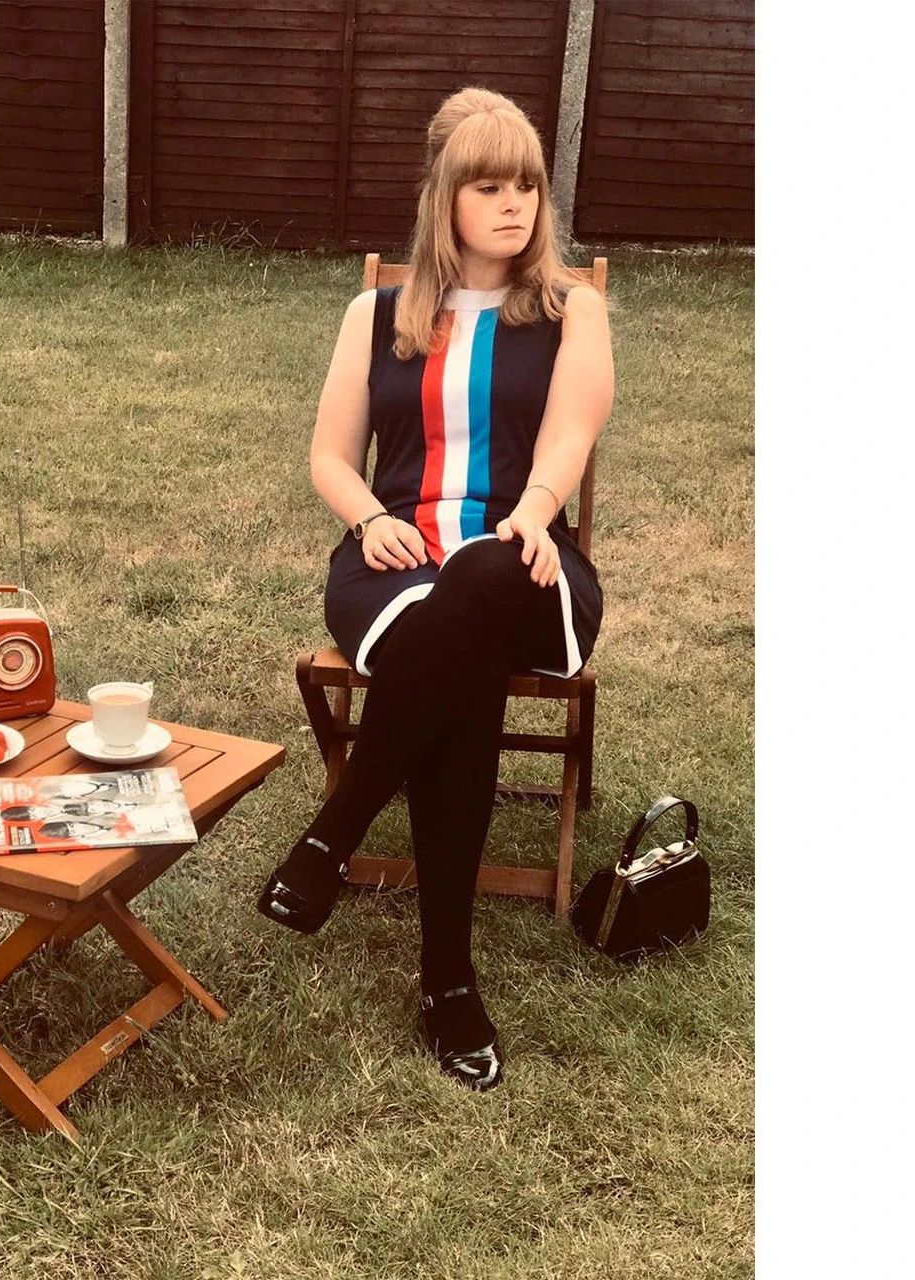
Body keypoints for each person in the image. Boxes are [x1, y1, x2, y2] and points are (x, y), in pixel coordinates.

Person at [256, 87, 613, 1092]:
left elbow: (571, 434)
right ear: (442, 198)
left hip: (522, 557)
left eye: (526, 185)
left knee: (483, 581)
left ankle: (334, 833)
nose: (513, 204)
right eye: (487, 186)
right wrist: (370, 517)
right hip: (392, 565)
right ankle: (447, 982)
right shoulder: (375, 316)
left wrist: (533, 512)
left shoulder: (569, 310)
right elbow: (329, 456)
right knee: (458, 663)